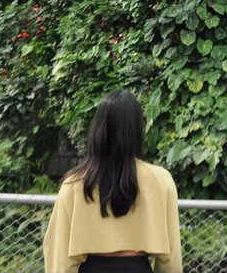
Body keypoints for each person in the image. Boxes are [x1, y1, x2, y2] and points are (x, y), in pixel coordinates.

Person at [43, 90, 182, 273]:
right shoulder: (161, 180)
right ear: (137, 130)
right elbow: (170, 261)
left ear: (99, 128)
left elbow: (61, 261)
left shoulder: (75, 183)